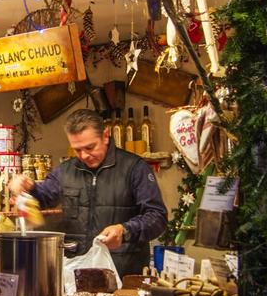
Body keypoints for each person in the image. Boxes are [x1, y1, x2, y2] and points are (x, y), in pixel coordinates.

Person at [9, 108, 167, 277]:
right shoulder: (65, 171)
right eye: (77, 150)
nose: (84, 155)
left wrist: (125, 231)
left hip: (123, 275)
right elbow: (43, 198)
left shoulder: (134, 168)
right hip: (76, 275)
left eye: (90, 147)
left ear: (105, 136)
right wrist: (28, 188)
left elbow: (157, 217)